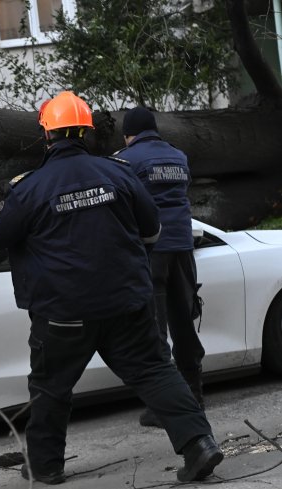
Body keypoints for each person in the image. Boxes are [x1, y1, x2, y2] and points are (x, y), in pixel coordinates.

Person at [0, 91, 222, 484]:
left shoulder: (29, 189)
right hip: (126, 303)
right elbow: (152, 232)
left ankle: (46, 466)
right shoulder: (120, 173)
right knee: (155, 372)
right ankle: (200, 445)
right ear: (86, 132)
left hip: (63, 314)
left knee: (50, 388)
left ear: (47, 135)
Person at [115, 106, 205, 428]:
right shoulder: (178, 156)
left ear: (129, 134)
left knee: (155, 330)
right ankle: (194, 395)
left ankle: (165, 407)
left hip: (151, 251)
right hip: (183, 247)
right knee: (183, 323)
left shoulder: (125, 160)